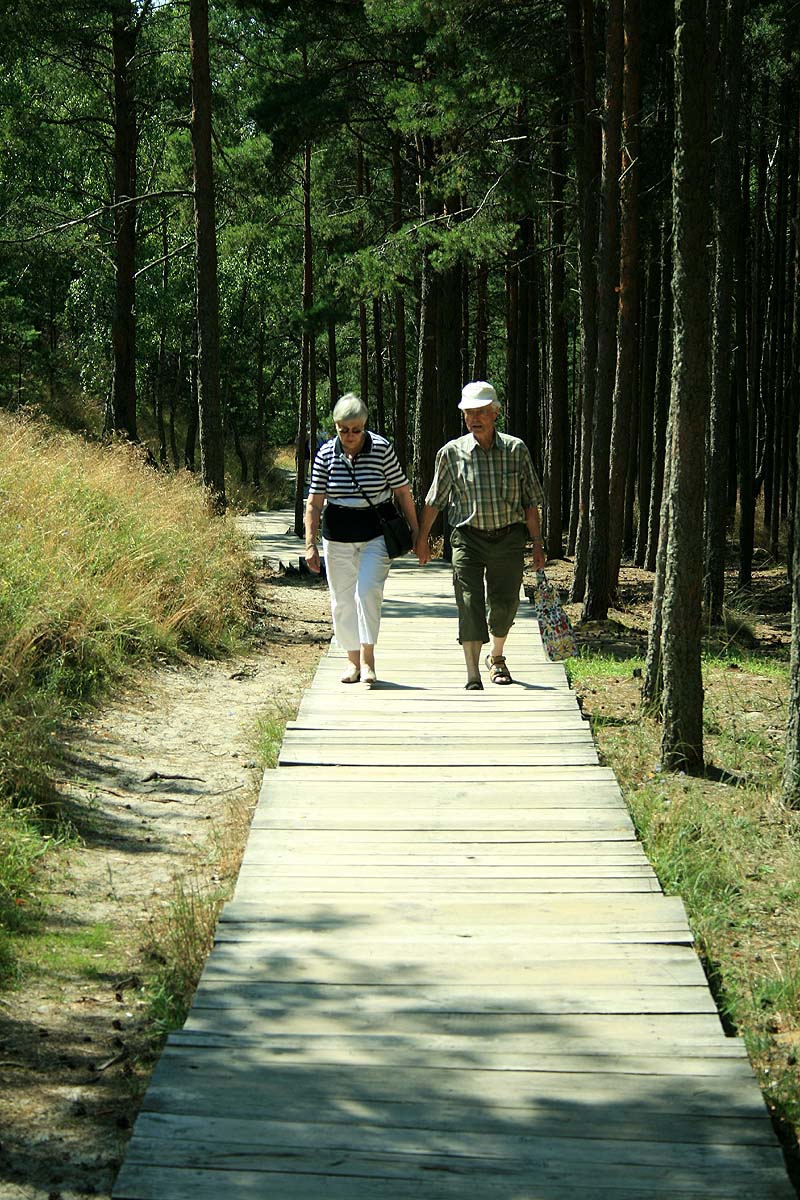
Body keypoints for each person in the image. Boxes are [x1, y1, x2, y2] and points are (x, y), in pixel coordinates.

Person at [415, 380, 546, 690]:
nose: (474, 418)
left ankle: (496, 656)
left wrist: (537, 543)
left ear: (495, 413)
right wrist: (422, 538)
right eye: (469, 413)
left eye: (481, 412)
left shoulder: (516, 450)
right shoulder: (451, 453)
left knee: (504, 605)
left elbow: (530, 502)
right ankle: (472, 673)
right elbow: (434, 501)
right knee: (469, 601)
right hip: (467, 539)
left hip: (509, 538)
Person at [304, 393, 418, 687]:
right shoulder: (325, 454)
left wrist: (417, 532)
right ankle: (352, 661)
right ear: (336, 427)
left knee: (367, 592)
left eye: (356, 429)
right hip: (338, 536)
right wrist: (310, 544)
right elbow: (314, 503)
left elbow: (402, 492)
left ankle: (368, 659)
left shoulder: (381, 449)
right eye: (344, 429)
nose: (350, 436)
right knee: (342, 601)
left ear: (364, 426)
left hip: (375, 534)